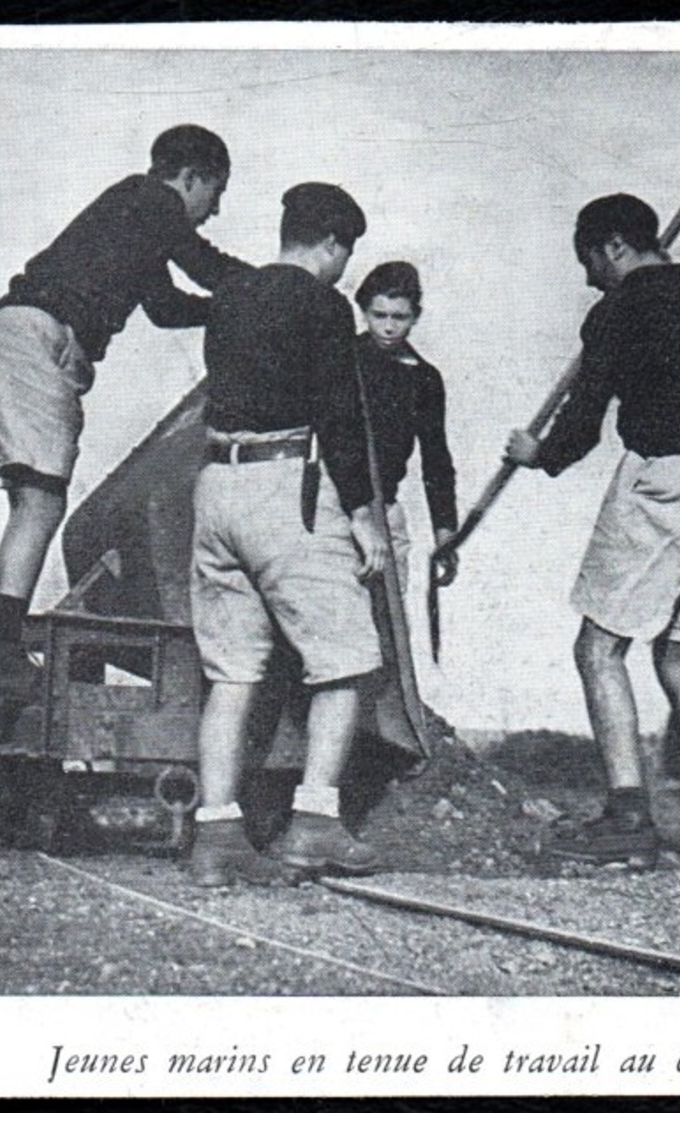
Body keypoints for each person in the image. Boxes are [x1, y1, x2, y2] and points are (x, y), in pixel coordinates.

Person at [0, 124, 252, 750]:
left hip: (16, 338)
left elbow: (169, 307)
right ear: (192, 176)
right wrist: (276, 293)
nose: (215, 209)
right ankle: (3, 654)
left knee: (34, 503)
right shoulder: (153, 200)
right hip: (36, 341)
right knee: (40, 504)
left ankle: (3, 653)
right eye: (216, 191)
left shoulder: (133, 221)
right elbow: (204, 265)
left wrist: (230, 309)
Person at [505, 193, 680, 870]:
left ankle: (629, 818)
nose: (586, 278)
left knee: (598, 650)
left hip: (661, 484)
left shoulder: (617, 310)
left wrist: (538, 453)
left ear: (612, 247)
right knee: (676, 655)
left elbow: (583, 424)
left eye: (588, 261)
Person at [188, 182, 390, 887]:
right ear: (332, 244)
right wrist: (363, 515)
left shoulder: (232, 294)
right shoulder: (323, 303)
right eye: (345, 253)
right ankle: (314, 822)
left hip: (216, 485)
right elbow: (337, 412)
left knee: (233, 671)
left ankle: (215, 836)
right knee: (348, 659)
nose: (343, 269)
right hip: (283, 485)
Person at [352, 261, 459, 590]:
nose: (387, 327)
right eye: (378, 315)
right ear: (364, 311)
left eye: (399, 318)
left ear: (415, 316)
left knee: (392, 631)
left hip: (385, 511)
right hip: (336, 509)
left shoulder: (423, 378)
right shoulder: (343, 360)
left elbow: (436, 459)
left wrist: (445, 533)